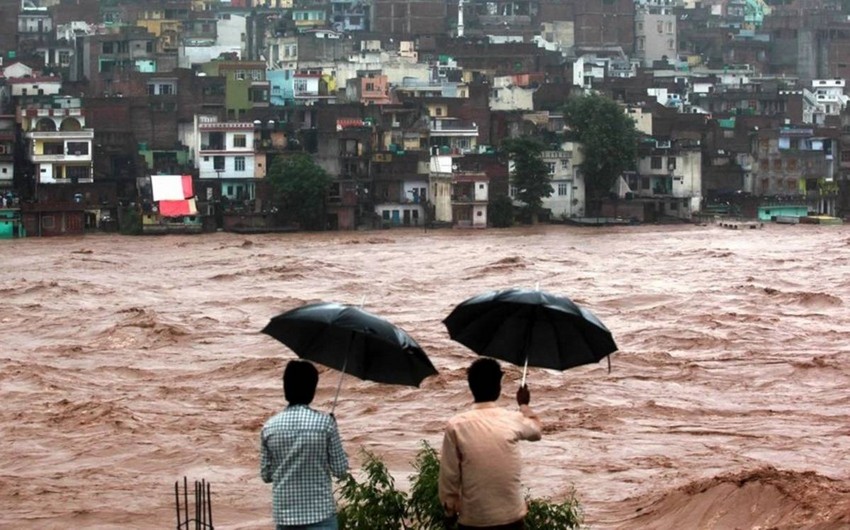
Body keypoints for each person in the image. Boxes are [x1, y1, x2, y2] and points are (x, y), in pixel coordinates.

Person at [438, 358, 542, 530]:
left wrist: (449, 512)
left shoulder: (456, 426)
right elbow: (536, 431)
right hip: (512, 519)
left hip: (473, 520)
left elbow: (449, 477)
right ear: (499, 387)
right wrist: (524, 405)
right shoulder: (513, 419)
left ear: (471, 387)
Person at [261, 360, 349, 530]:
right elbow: (340, 470)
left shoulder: (269, 427)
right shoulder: (325, 425)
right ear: (312, 390)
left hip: (285, 517)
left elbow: (266, 475)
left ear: (285, 388)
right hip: (320, 515)